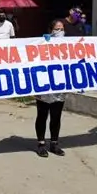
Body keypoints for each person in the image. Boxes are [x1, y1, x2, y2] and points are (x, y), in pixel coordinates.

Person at [34, 20, 68, 157]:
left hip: (59, 85)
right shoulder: (42, 43)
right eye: (57, 29)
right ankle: (41, 144)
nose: (60, 32)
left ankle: (54, 143)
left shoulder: (67, 45)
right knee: (42, 115)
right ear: (51, 30)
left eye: (62, 29)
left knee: (56, 116)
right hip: (44, 84)